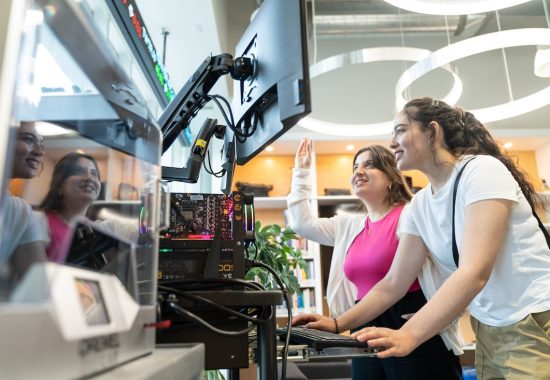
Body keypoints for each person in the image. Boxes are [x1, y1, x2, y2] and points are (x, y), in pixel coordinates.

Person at [315, 97, 550, 379]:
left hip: (533, 318)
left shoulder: (481, 171)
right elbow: (393, 283)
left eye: (401, 130)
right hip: (487, 327)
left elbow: (474, 272)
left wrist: (409, 335)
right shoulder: (420, 205)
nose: (392, 143)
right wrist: (336, 323)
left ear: (433, 132)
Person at [288, 138, 462, 379]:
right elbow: (301, 223)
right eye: (355, 166)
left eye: (370, 165)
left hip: (408, 319)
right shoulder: (348, 226)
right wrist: (301, 172)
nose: (359, 171)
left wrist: (438, 313)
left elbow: (453, 265)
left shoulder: (412, 214)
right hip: (362, 323)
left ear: (391, 177)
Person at [0, 121, 48, 280]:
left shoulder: (21, 211)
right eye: (28, 140)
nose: (40, 152)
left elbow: (37, 283)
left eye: (41, 143)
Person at [38, 152, 102, 262]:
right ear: (59, 184)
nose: (89, 178)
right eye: (79, 171)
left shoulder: (95, 230)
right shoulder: (40, 222)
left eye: (94, 174)